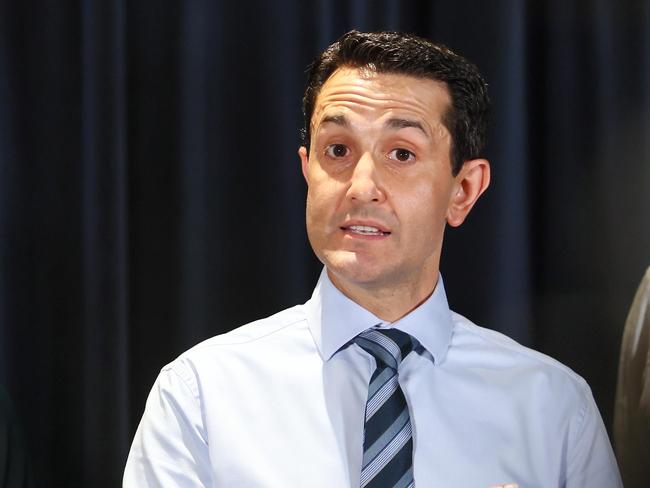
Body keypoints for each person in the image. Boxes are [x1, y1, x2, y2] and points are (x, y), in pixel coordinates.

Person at [124, 30, 622, 487]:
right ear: (307, 170)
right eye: (337, 150)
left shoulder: (553, 408)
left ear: (463, 190)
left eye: (401, 154)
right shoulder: (199, 397)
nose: (361, 187)